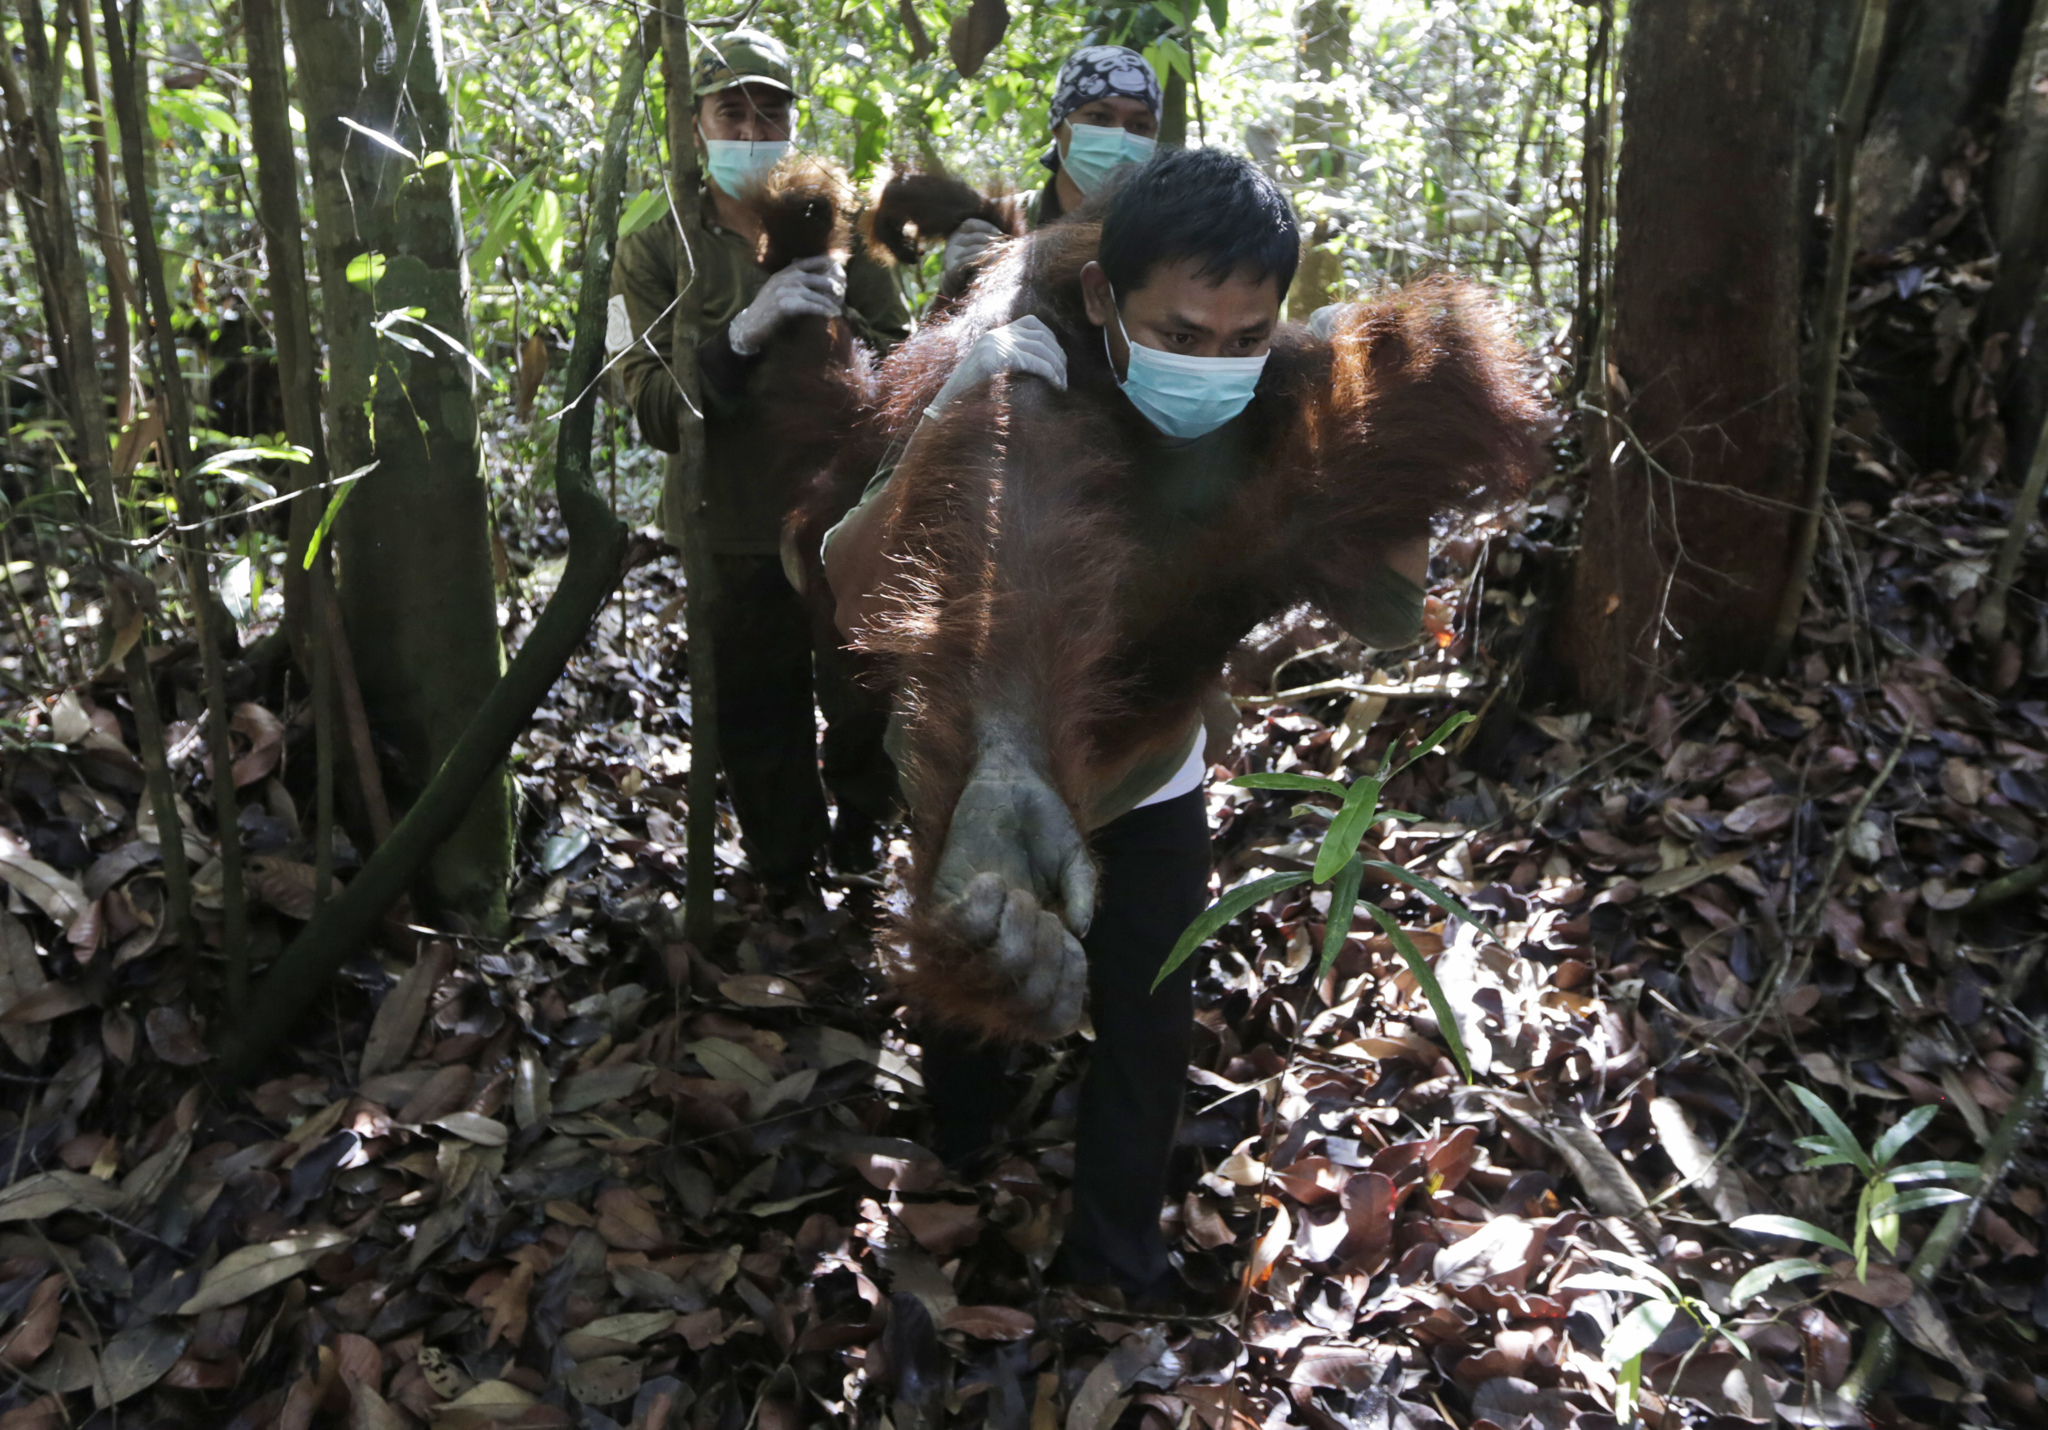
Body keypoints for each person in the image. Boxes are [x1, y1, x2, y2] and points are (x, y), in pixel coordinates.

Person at [821, 149, 1536, 1305]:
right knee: (977, 985)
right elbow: (849, 589)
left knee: (1146, 1021)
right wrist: (954, 411)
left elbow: (1394, 621)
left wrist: (1390, 426)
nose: (1210, 364)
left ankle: (1113, 1261)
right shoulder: (1021, 373)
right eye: (1181, 332)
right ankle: (959, 1160)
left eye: (1242, 337)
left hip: (1149, 767)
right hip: (978, 770)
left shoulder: (1281, 395)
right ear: (1105, 297)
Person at [611, 28, 909, 894]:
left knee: (868, 693)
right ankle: (783, 875)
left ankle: (861, 831)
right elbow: (654, 407)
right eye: (729, 111)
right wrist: (744, 331)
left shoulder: (846, 225)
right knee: (754, 710)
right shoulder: (653, 241)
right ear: (695, 121)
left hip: (843, 517)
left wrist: (847, 336)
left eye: (769, 110)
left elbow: (907, 360)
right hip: (728, 524)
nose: (751, 129)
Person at [938, 44, 1165, 289]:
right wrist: (955, 288)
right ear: (1058, 124)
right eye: (1099, 117)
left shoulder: (1161, 235)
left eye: (1140, 126)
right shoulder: (1000, 224)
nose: (1119, 137)